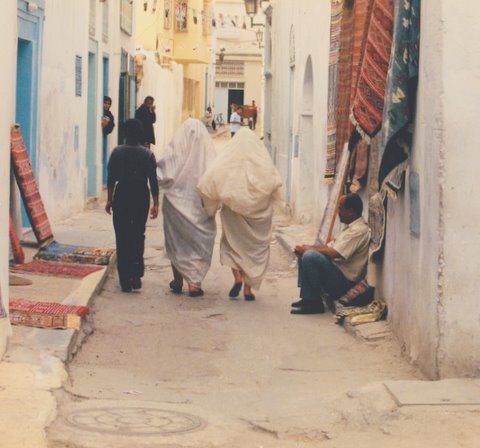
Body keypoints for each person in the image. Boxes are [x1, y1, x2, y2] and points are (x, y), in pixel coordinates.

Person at [198, 128, 282, 301]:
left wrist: (212, 206)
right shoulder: (262, 162)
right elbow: (274, 183)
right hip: (258, 215)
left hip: (233, 212)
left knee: (232, 245)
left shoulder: (227, 161)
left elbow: (210, 179)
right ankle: (248, 289)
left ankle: (237, 277)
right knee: (253, 250)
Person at [157, 118, 217, 298]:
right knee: (198, 242)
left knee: (177, 242)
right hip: (199, 204)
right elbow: (216, 180)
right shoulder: (210, 156)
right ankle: (195, 283)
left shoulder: (177, 150)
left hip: (175, 202)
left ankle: (178, 281)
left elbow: (163, 171)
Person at [291, 193, 371, 315]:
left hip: (344, 281)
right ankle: (307, 298)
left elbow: (334, 253)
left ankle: (315, 303)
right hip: (336, 272)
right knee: (305, 253)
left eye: (341, 209)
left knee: (309, 256)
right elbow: (328, 247)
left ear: (351, 211)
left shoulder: (359, 230)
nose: (339, 212)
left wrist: (308, 250)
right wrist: (307, 247)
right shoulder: (349, 228)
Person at [106, 119, 159, 293]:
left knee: (122, 236)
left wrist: (109, 199)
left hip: (122, 195)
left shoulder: (116, 152)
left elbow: (111, 178)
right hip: (140, 196)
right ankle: (136, 274)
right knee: (138, 234)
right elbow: (153, 180)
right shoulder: (148, 155)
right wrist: (156, 202)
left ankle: (124, 278)